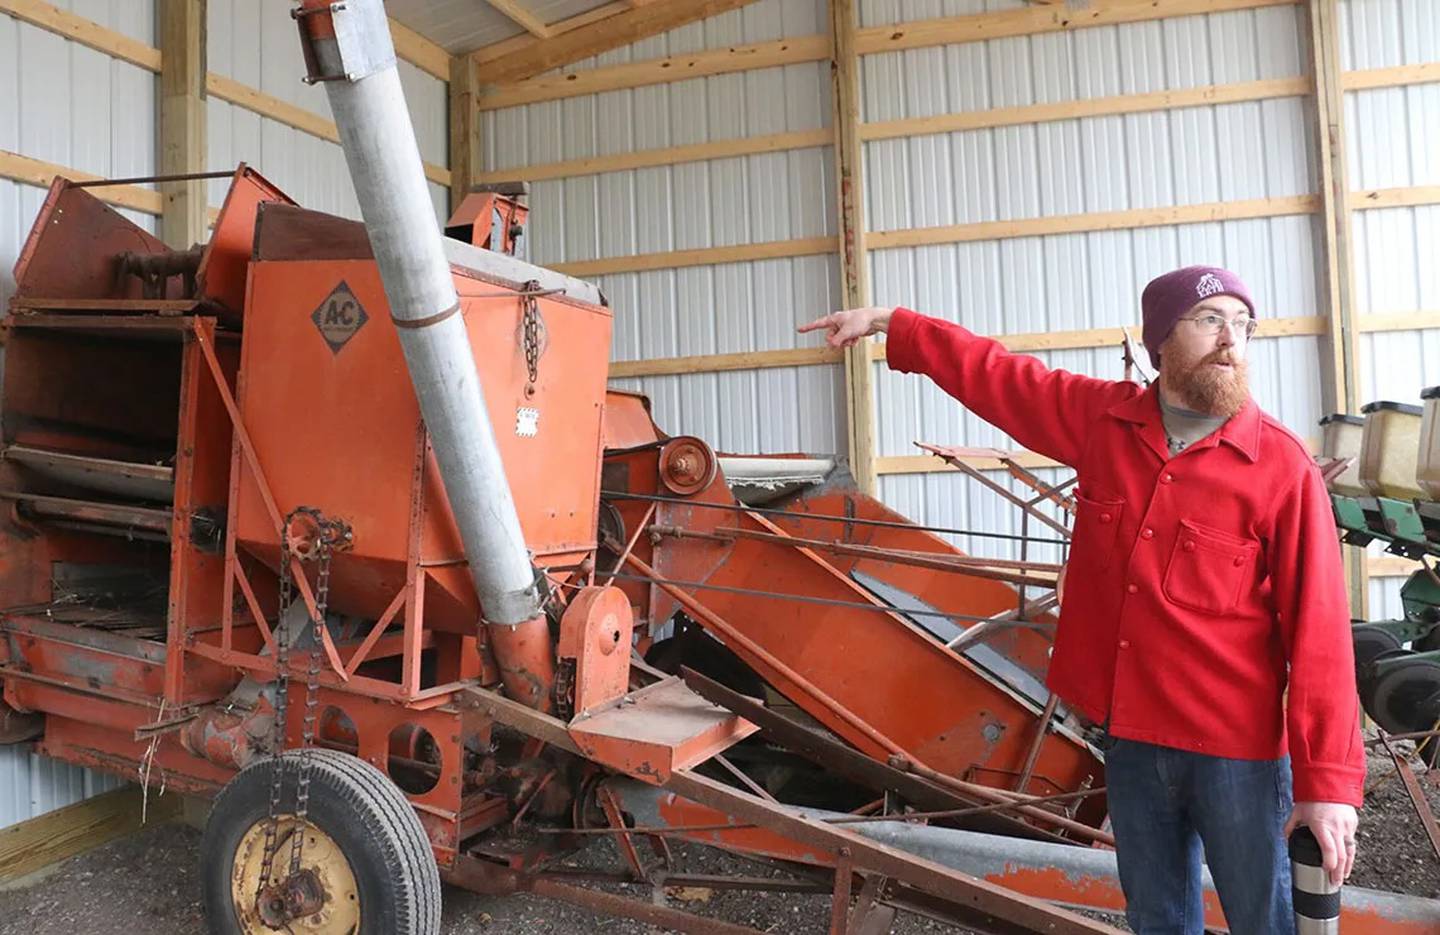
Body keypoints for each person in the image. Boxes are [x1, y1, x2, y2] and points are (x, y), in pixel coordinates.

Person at [800, 266, 1364, 935]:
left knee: (1263, 918)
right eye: (1210, 320)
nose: (1230, 340)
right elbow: (1002, 378)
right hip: (1130, 742)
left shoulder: (1280, 466)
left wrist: (1326, 786)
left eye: (1242, 325)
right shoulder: (1104, 422)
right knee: (1157, 918)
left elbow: (1320, 633)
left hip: (1235, 753)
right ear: (1161, 342)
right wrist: (898, 325)